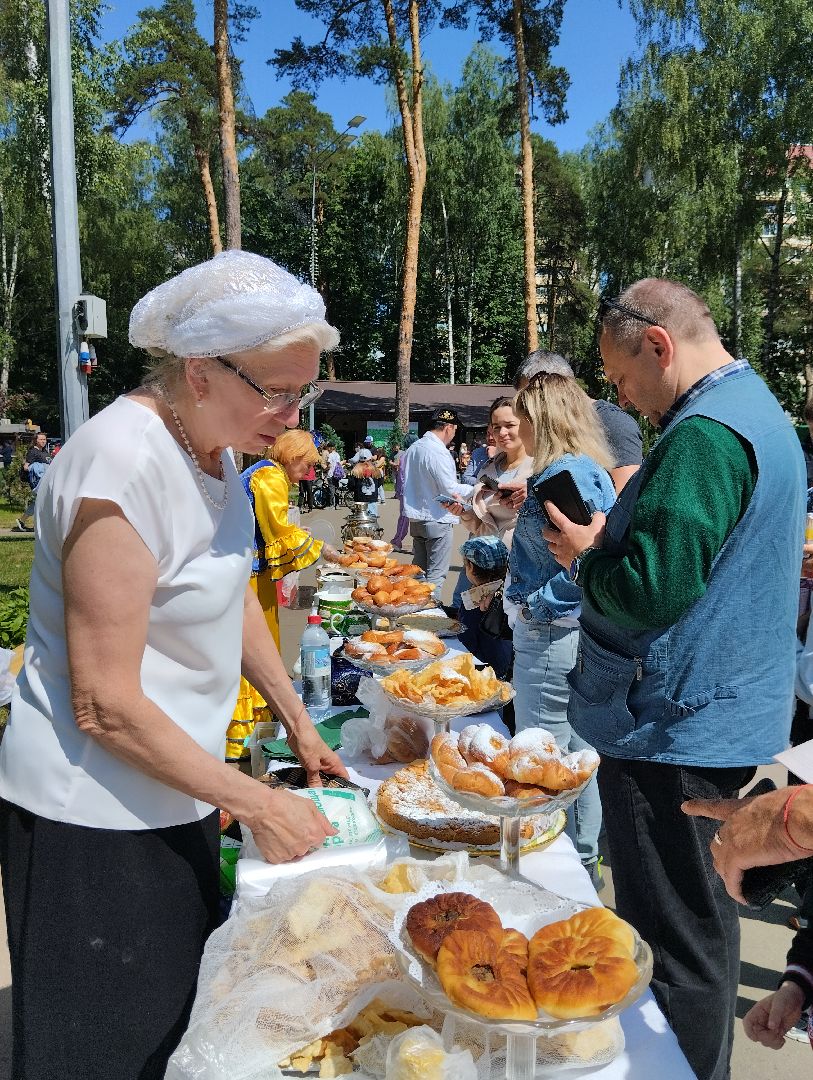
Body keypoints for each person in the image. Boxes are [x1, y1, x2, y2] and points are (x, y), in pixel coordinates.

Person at [0, 251, 349, 1080]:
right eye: (274, 391)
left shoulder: (217, 450)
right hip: (90, 814)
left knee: (172, 1024)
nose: (290, 413)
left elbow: (227, 594)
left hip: (178, 785)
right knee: (101, 1046)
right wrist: (256, 800)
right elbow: (104, 704)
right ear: (199, 371)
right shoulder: (121, 462)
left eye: (301, 392)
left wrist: (296, 721)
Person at [543, 278, 806, 1080]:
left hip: (670, 723)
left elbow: (655, 587)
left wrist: (589, 557)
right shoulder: (757, 412)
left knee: (675, 935)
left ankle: (689, 1068)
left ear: (657, 344)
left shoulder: (703, 434)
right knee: (697, 917)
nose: (625, 399)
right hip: (707, 711)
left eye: (622, 380)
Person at [508, 373, 616, 883]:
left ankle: (568, 866)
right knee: (570, 754)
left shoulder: (567, 475)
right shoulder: (577, 470)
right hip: (557, 633)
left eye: (521, 419)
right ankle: (580, 862)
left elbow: (589, 559)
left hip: (553, 635)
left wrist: (537, 606)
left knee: (549, 757)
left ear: (541, 420)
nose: (516, 430)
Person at [227, 428, 338, 761]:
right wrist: (323, 549)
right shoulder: (271, 477)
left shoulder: (264, 472)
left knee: (257, 644)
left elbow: (273, 527)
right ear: (292, 456)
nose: (309, 473)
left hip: (246, 572)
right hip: (248, 577)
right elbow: (278, 534)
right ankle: (244, 734)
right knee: (256, 647)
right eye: (306, 465)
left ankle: (254, 722)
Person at [447, 397, 533, 616]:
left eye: (509, 425)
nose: (502, 432)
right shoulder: (489, 467)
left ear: (525, 423)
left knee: (503, 638)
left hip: (517, 570)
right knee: (472, 631)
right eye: (496, 427)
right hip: (480, 566)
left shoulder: (538, 468)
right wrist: (463, 512)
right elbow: (483, 523)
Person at [514, 349, 643, 494]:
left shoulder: (615, 424)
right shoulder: (555, 433)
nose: (529, 414)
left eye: (532, 401)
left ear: (558, 385)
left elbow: (623, 502)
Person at [401, 408, 473, 587]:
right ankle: (432, 615)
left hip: (417, 518)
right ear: (448, 427)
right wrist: (477, 489)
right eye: (455, 430)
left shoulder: (414, 448)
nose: (454, 435)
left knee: (418, 575)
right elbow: (450, 488)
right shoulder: (438, 451)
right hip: (437, 518)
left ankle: (415, 612)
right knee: (435, 578)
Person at [458, 535, 513, 681]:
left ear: (469, 567)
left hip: (481, 670)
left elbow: (466, 638)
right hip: (504, 665)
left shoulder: (474, 599)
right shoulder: (508, 592)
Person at [16, 430, 51, 531]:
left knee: (39, 501)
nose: (43, 441)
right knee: (42, 501)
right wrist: (38, 467)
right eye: (41, 439)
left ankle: (23, 521)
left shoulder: (44, 451)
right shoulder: (33, 452)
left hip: (46, 480)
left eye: (44, 439)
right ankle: (37, 524)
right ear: (36, 440)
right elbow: (26, 467)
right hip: (39, 482)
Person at [390, 432, 418, 551]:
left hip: (407, 490)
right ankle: (416, 544)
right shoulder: (415, 454)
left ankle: (397, 541)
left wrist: (400, 490)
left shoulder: (405, 455)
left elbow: (401, 475)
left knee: (405, 517)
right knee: (417, 517)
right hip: (416, 491)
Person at [324, 442, 343, 507]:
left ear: (330, 448)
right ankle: (337, 504)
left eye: (327, 448)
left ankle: (331, 504)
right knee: (336, 489)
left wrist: (325, 470)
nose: (327, 449)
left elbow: (329, 466)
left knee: (331, 489)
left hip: (331, 474)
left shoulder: (330, 455)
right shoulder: (337, 455)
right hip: (337, 474)